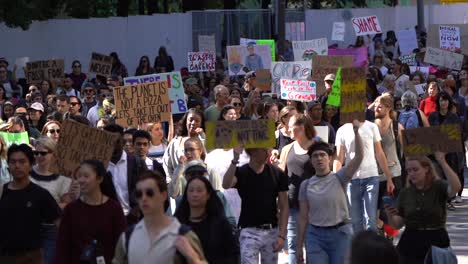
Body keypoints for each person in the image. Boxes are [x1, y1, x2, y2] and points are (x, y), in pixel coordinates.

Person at [297, 120, 364, 264]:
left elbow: (359, 157)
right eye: (315, 156)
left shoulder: (340, 177)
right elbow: (303, 217)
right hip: (315, 236)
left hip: (340, 234)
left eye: (322, 155)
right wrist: (298, 247)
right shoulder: (305, 185)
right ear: (311, 160)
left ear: (330, 158)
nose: (319, 158)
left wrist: (357, 131)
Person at [112, 170, 206, 263]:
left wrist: (194, 259)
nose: (144, 198)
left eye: (150, 193)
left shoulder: (184, 235)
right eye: (139, 194)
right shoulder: (127, 237)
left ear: (164, 195)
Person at [385, 154, 461, 263]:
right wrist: (390, 215)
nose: (412, 174)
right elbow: (397, 224)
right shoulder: (405, 193)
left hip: (436, 242)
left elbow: (455, 188)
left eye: (415, 170)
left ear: (426, 169)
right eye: (409, 171)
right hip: (410, 243)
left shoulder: (438, 186)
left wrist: (443, 162)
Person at [223, 147, 288, 264]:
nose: (268, 153)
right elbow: (226, 184)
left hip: (271, 230)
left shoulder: (277, 173)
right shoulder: (241, 172)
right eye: (264, 150)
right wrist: (235, 160)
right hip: (249, 230)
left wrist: (282, 235)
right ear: (253, 151)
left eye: (268, 150)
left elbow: (284, 206)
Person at [55, 160, 127, 264]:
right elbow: (62, 246)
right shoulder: (71, 209)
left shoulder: (114, 208)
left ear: (100, 179)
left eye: (86, 176)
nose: (81, 180)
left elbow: (121, 244)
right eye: (79, 176)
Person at [0, 144, 61, 264]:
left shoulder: (40, 194)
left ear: (31, 165)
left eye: (22, 162)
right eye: (13, 162)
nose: (17, 166)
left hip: (31, 258)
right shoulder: (1, 191)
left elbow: (60, 223)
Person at [334, 119, 395, 233]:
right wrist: (336, 181)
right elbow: (339, 158)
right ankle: (358, 247)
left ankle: (370, 248)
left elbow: (379, 152)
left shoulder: (371, 126)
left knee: (370, 217)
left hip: (371, 177)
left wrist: (389, 178)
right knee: (355, 219)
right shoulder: (341, 130)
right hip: (351, 179)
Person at [273, 113, 316, 264]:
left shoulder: (316, 148)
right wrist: (275, 164)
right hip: (292, 204)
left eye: (291, 126)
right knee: (292, 244)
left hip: (313, 205)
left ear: (302, 128)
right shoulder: (287, 148)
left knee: (312, 244)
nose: (288, 129)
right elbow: (281, 172)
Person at [30, 137, 77, 264]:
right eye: (36, 153)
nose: (39, 156)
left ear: (53, 154)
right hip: (29, 227)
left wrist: (44, 208)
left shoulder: (63, 177)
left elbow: (66, 203)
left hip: (51, 229)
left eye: (43, 153)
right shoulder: (27, 172)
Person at [174, 175, 239, 264]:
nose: (195, 194)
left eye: (199, 190)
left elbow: (233, 255)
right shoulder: (177, 225)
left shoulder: (220, 224)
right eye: (191, 190)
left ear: (208, 194)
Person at [104, 124, 148, 224]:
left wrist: (136, 210)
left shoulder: (137, 163)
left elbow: (147, 188)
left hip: (134, 220)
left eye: (117, 141)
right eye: (110, 141)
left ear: (123, 142)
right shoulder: (100, 166)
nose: (114, 145)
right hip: (109, 221)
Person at [428, 92, 464, 204]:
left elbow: (457, 135)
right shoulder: (433, 116)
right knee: (437, 175)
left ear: (449, 102)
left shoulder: (454, 117)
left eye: (446, 100)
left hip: (451, 153)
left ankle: (448, 200)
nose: (443, 102)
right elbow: (429, 133)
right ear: (438, 102)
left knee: (449, 175)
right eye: (441, 100)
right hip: (436, 151)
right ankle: (441, 200)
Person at [163, 108, 206, 180]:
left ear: (201, 124)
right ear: (186, 121)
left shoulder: (204, 140)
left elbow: (208, 156)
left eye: (197, 121)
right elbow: (167, 163)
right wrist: (171, 181)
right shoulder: (175, 142)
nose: (193, 123)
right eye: (190, 119)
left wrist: (202, 137)